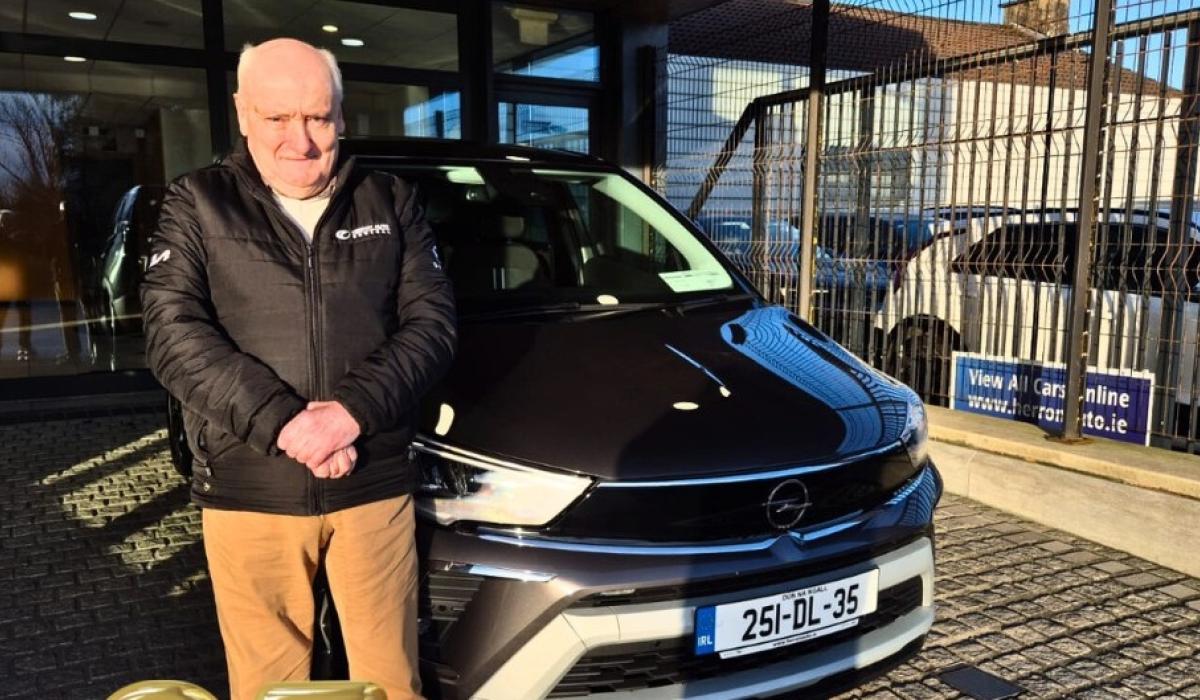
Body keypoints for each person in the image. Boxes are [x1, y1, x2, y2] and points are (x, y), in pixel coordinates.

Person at [141, 38, 456, 700]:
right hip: (251, 492)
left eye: (316, 116)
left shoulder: (390, 201)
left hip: (372, 484)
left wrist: (347, 415)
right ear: (243, 114)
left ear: (341, 115)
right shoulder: (197, 203)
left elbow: (432, 327)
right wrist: (287, 425)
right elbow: (173, 336)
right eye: (278, 118)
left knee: (391, 683)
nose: (301, 140)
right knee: (268, 685)